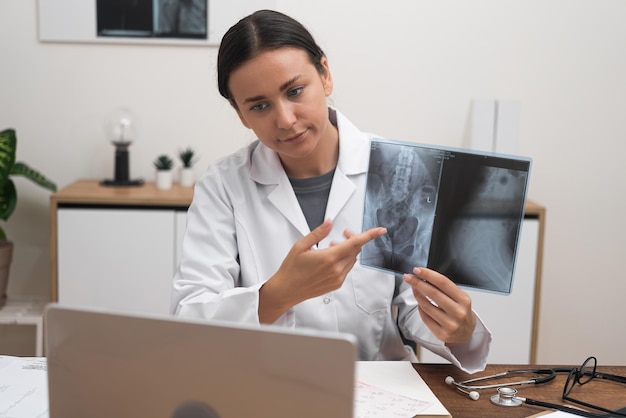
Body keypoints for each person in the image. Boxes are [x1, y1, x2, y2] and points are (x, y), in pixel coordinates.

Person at [171, 9, 491, 373]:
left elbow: (413, 306)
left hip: (379, 392)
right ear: (240, 113)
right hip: (267, 388)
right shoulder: (223, 185)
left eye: (295, 91)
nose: (286, 120)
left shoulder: (394, 166)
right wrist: (278, 295)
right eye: (259, 106)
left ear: (325, 75)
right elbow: (188, 318)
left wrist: (459, 331)